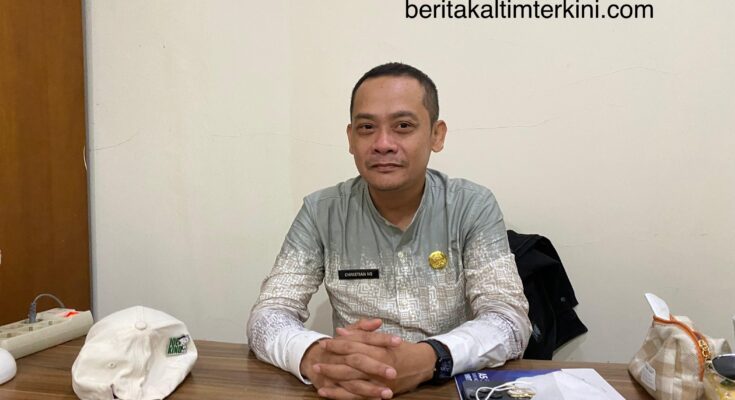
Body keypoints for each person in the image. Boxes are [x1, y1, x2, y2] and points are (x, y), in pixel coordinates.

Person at [247, 62, 531, 399]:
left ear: (436, 135)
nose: (383, 143)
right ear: (351, 138)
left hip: (442, 386)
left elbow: (509, 321)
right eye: (367, 127)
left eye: (403, 126)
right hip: (352, 389)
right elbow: (268, 315)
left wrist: (428, 359)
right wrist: (317, 358)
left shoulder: (471, 206)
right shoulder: (322, 211)